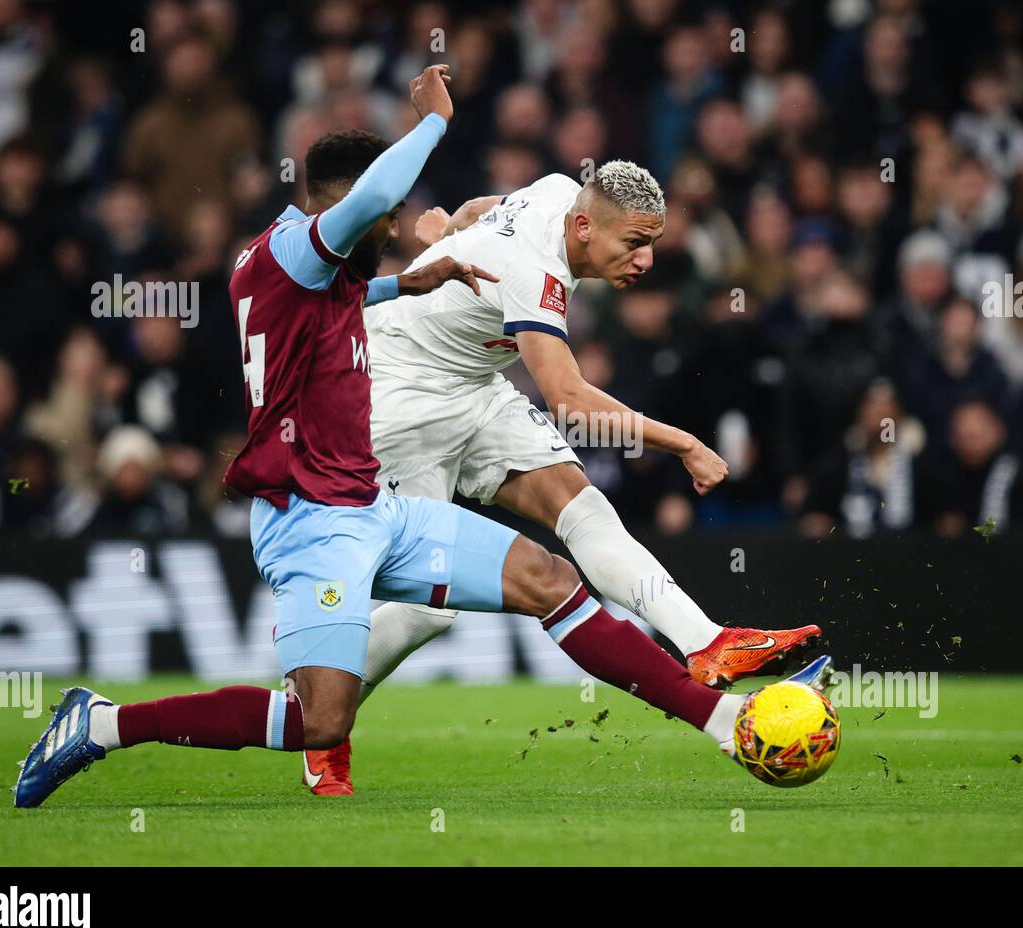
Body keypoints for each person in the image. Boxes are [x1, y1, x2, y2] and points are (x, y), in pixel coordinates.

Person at [14, 66, 754, 810]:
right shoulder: (297, 250)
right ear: (342, 206)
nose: (397, 226)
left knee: (552, 582)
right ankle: (104, 723)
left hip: (375, 506)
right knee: (315, 720)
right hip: (313, 520)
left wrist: (404, 284)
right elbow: (366, 203)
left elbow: (333, 300)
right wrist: (433, 123)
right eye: (386, 215)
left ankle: (720, 719)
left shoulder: (292, 268)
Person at [297, 160, 821, 795]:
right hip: (399, 396)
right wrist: (682, 443)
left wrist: (450, 229)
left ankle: (708, 642)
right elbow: (569, 400)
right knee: (425, 614)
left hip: (472, 383)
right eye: (634, 243)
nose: (647, 260)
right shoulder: (534, 272)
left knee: (581, 505)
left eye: (651, 243)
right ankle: (315, 723)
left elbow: (477, 210)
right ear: (582, 226)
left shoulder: (555, 190)